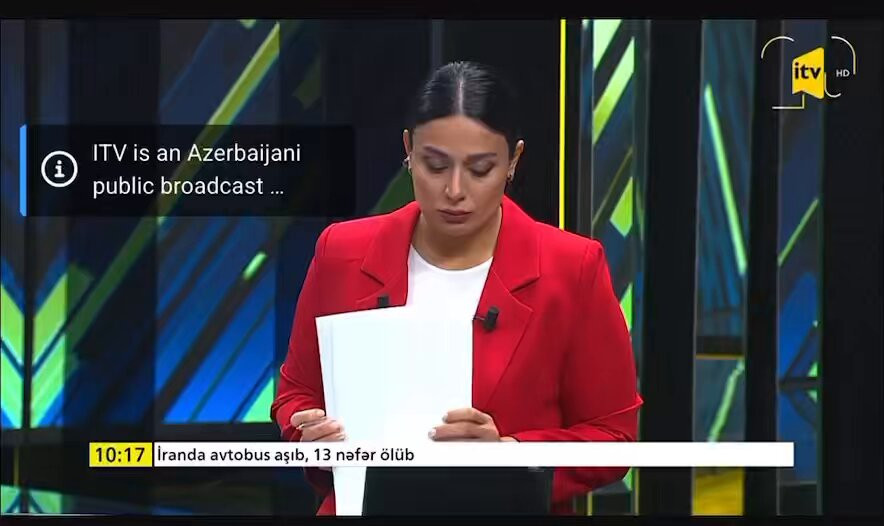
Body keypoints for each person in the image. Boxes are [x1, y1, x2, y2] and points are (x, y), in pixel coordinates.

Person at [270, 61, 643, 515]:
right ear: (408, 150)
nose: (454, 190)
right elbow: (295, 395)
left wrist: (509, 454)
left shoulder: (572, 267)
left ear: (513, 161)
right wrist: (308, 431)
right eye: (435, 165)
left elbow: (613, 435)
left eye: (480, 169)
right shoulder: (341, 252)